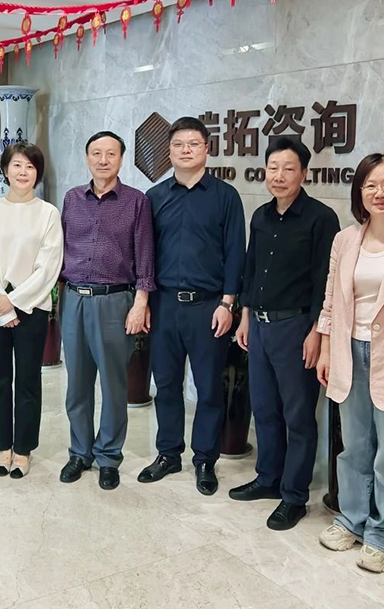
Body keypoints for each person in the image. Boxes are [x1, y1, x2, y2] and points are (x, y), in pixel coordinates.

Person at [232, 136, 339, 531]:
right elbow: (251, 269)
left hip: (296, 328)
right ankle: (268, 478)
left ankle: (294, 496)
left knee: (298, 415)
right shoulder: (260, 215)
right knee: (264, 408)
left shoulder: (321, 218)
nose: (278, 176)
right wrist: (244, 316)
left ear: (304, 173)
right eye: (273, 168)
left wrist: (316, 332)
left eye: (288, 168)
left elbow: (324, 281)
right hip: (259, 326)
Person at [315, 153, 384, 572]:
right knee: (354, 445)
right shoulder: (346, 239)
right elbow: (330, 298)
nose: (379, 193)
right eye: (370, 185)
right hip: (347, 350)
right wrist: (325, 347)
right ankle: (352, 519)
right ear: (359, 192)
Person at [138, 116, 245, 496]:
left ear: (206, 150)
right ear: (169, 152)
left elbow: (236, 252)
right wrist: (144, 301)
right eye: (178, 144)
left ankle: (204, 460)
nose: (186, 150)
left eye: (193, 144)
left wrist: (228, 303)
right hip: (164, 304)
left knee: (208, 388)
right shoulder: (154, 197)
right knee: (166, 384)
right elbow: (144, 254)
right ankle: (168, 453)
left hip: (208, 307)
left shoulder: (225, 197)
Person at [59, 130, 156, 491]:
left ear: (121, 159)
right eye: (96, 153)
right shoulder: (72, 199)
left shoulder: (136, 202)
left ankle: (109, 456)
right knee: (77, 384)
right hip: (74, 298)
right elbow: (60, 248)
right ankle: (80, 452)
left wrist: (141, 303)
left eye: (110, 154)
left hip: (115, 301)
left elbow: (145, 254)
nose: (103, 160)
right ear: (87, 158)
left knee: (114, 385)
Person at [0, 142, 62, 479]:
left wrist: (15, 301)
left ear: (37, 173)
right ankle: (3, 446)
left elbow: (48, 267)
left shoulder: (48, 214)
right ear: (5, 170)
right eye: (17, 165)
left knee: (27, 380)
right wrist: (1, 302)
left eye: (30, 166)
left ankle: (23, 449)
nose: (23, 172)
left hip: (32, 308)